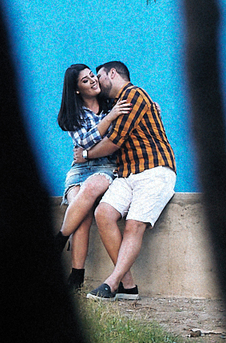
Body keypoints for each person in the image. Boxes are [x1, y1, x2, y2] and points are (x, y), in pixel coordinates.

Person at [76, 61, 176, 301]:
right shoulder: (114, 105)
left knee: (133, 225)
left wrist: (86, 155)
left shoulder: (133, 94)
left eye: (99, 76)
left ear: (112, 73)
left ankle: (111, 283)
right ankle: (128, 286)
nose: (97, 81)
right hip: (127, 173)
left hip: (154, 170)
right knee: (104, 213)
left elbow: (113, 142)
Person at [54, 64, 131, 288]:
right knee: (83, 214)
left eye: (92, 76)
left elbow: (109, 140)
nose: (93, 81)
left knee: (88, 191)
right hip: (79, 169)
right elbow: (85, 142)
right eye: (86, 81)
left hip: (106, 166)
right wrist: (109, 119)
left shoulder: (111, 103)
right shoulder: (73, 115)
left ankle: (59, 239)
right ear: (77, 89)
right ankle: (77, 276)